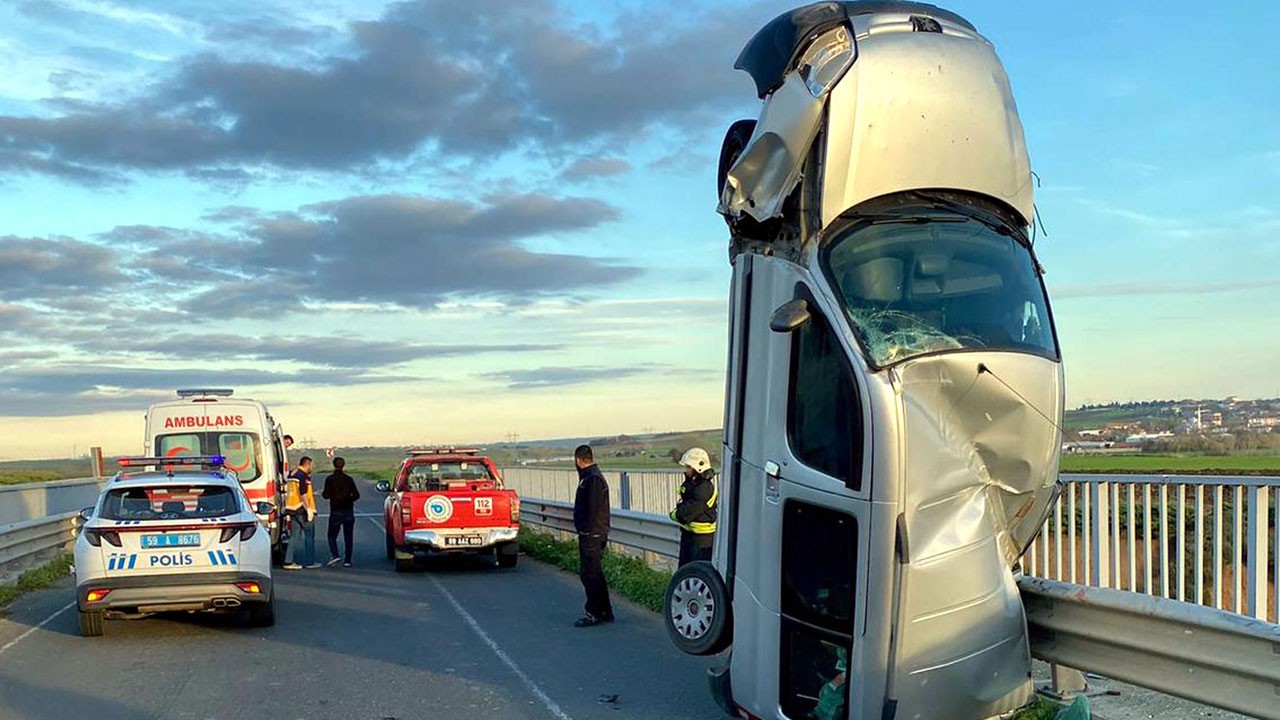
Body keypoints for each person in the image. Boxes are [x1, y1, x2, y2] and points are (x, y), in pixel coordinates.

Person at [572, 444, 613, 627]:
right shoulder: (589, 477)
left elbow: (593, 508)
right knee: (594, 573)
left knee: (590, 574)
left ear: (578, 460)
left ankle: (594, 612)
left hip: (592, 533)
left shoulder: (593, 479)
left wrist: (586, 529)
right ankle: (604, 610)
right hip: (593, 532)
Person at [670, 447, 718, 566]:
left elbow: (687, 512)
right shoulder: (694, 484)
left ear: (698, 467)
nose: (686, 470)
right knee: (686, 571)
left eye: (688, 467)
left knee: (696, 571)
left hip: (702, 540)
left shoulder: (704, 488)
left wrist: (675, 514)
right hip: (690, 535)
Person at [322, 456, 360, 568]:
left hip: (336, 510)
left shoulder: (330, 479)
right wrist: (349, 499)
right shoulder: (349, 479)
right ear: (344, 465)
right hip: (348, 510)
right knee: (348, 537)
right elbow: (357, 495)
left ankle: (335, 554)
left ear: (334, 465)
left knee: (331, 535)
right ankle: (348, 560)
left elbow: (325, 495)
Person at [282, 456, 319, 570]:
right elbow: (303, 493)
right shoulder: (303, 476)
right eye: (310, 466)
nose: (311, 468)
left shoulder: (292, 475)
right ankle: (310, 561)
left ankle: (288, 561)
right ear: (307, 464)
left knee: (294, 536)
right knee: (309, 535)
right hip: (302, 509)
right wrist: (308, 509)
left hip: (291, 509)